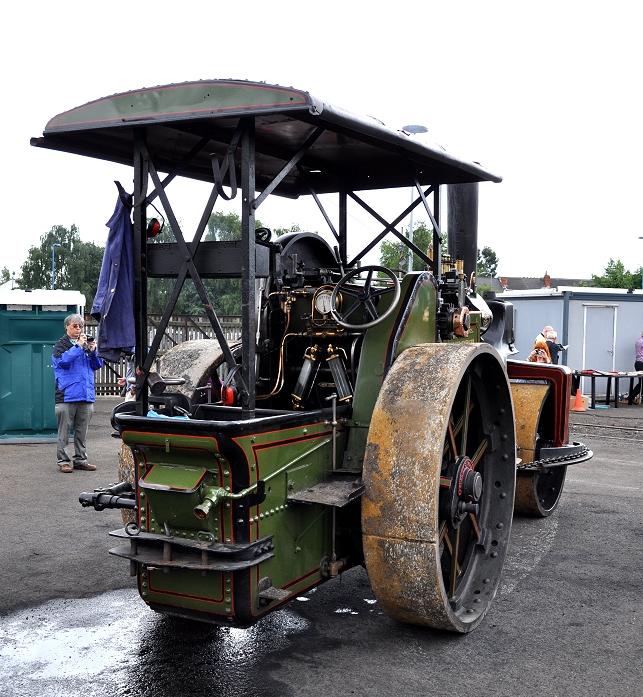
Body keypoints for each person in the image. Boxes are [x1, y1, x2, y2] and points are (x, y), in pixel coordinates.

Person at [52, 314, 104, 473]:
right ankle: (63, 462)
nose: (78, 329)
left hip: (85, 395)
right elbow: (63, 362)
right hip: (67, 395)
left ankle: (81, 460)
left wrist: (93, 351)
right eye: (74, 326)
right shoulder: (60, 345)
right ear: (66, 326)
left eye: (80, 326)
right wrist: (78, 346)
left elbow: (97, 365)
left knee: (82, 432)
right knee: (64, 432)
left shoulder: (86, 346)